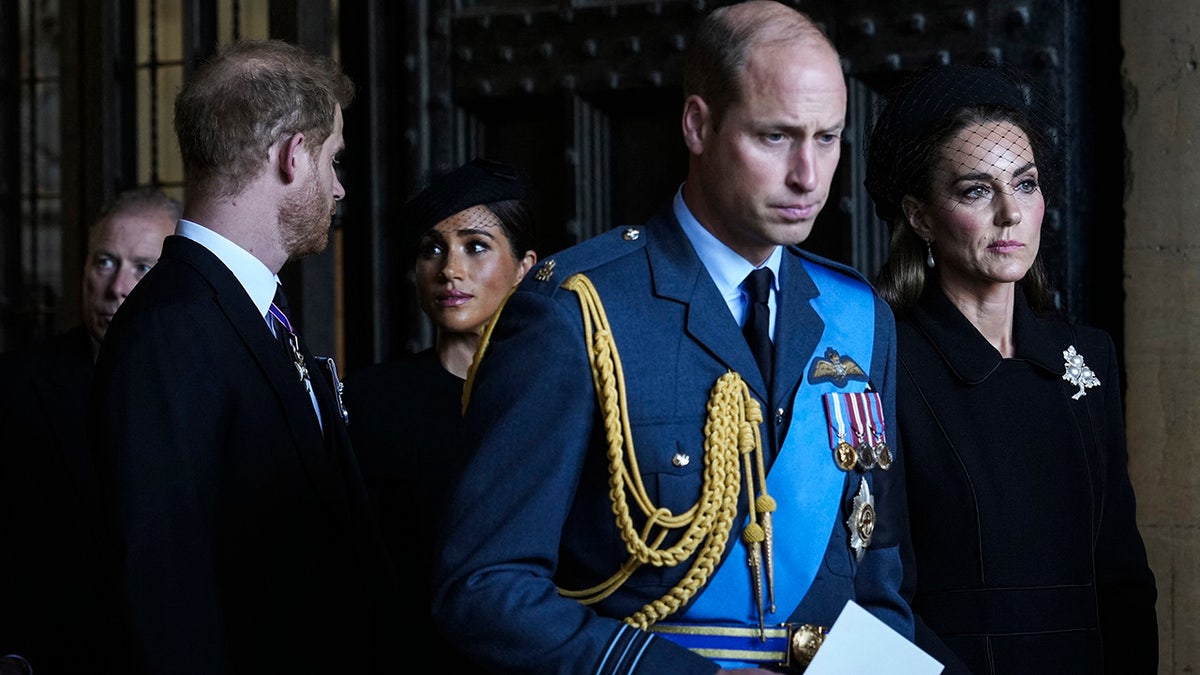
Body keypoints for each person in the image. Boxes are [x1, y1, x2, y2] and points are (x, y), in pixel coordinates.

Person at [432, 2, 913, 672]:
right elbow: (484, 590)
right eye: (775, 137)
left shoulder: (857, 316)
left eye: (827, 138)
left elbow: (877, 580)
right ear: (698, 125)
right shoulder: (576, 312)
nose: (808, 175)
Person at [88, 39, 397, 674]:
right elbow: (163, 596)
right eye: (333, 159)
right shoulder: (170, 331)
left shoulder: (248, 310)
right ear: (293, 155)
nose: (339, 188)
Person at [865, 62, 1158, 674]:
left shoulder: (1088, 357)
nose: (1010, 214)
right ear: (920, 216)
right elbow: (875, 590)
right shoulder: (881, 358)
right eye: (976, 190)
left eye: (1024, 184)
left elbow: (1123, 573)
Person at [341, 156, 537, 661]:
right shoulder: (369, 401)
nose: (450, 270)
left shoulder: (553, 400)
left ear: (523, 268)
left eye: (476, 247)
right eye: (432, 249)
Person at [0, 187, 178, 673]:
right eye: (105, 261)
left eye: (143, 267)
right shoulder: (17, 387)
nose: (117, 286)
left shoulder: (205, 383)